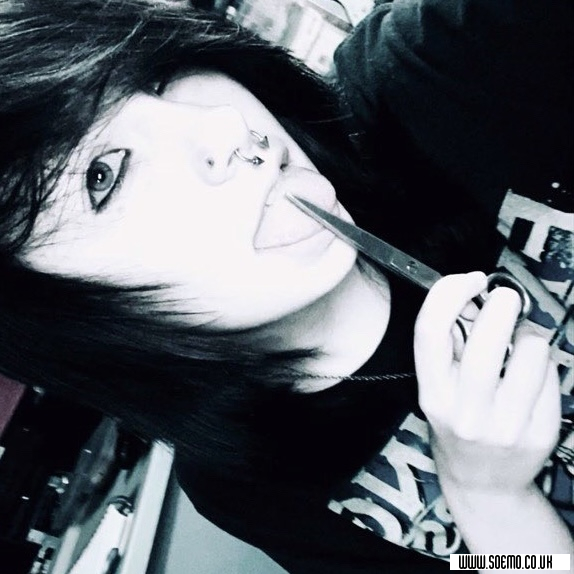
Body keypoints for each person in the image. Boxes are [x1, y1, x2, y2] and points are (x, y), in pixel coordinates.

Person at [0, 0, 571, 572]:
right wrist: (491, 501)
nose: (226, 125)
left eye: (159, 75)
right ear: (57, 317)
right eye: (104, 175)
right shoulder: (246, 485)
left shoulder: (430, 71)